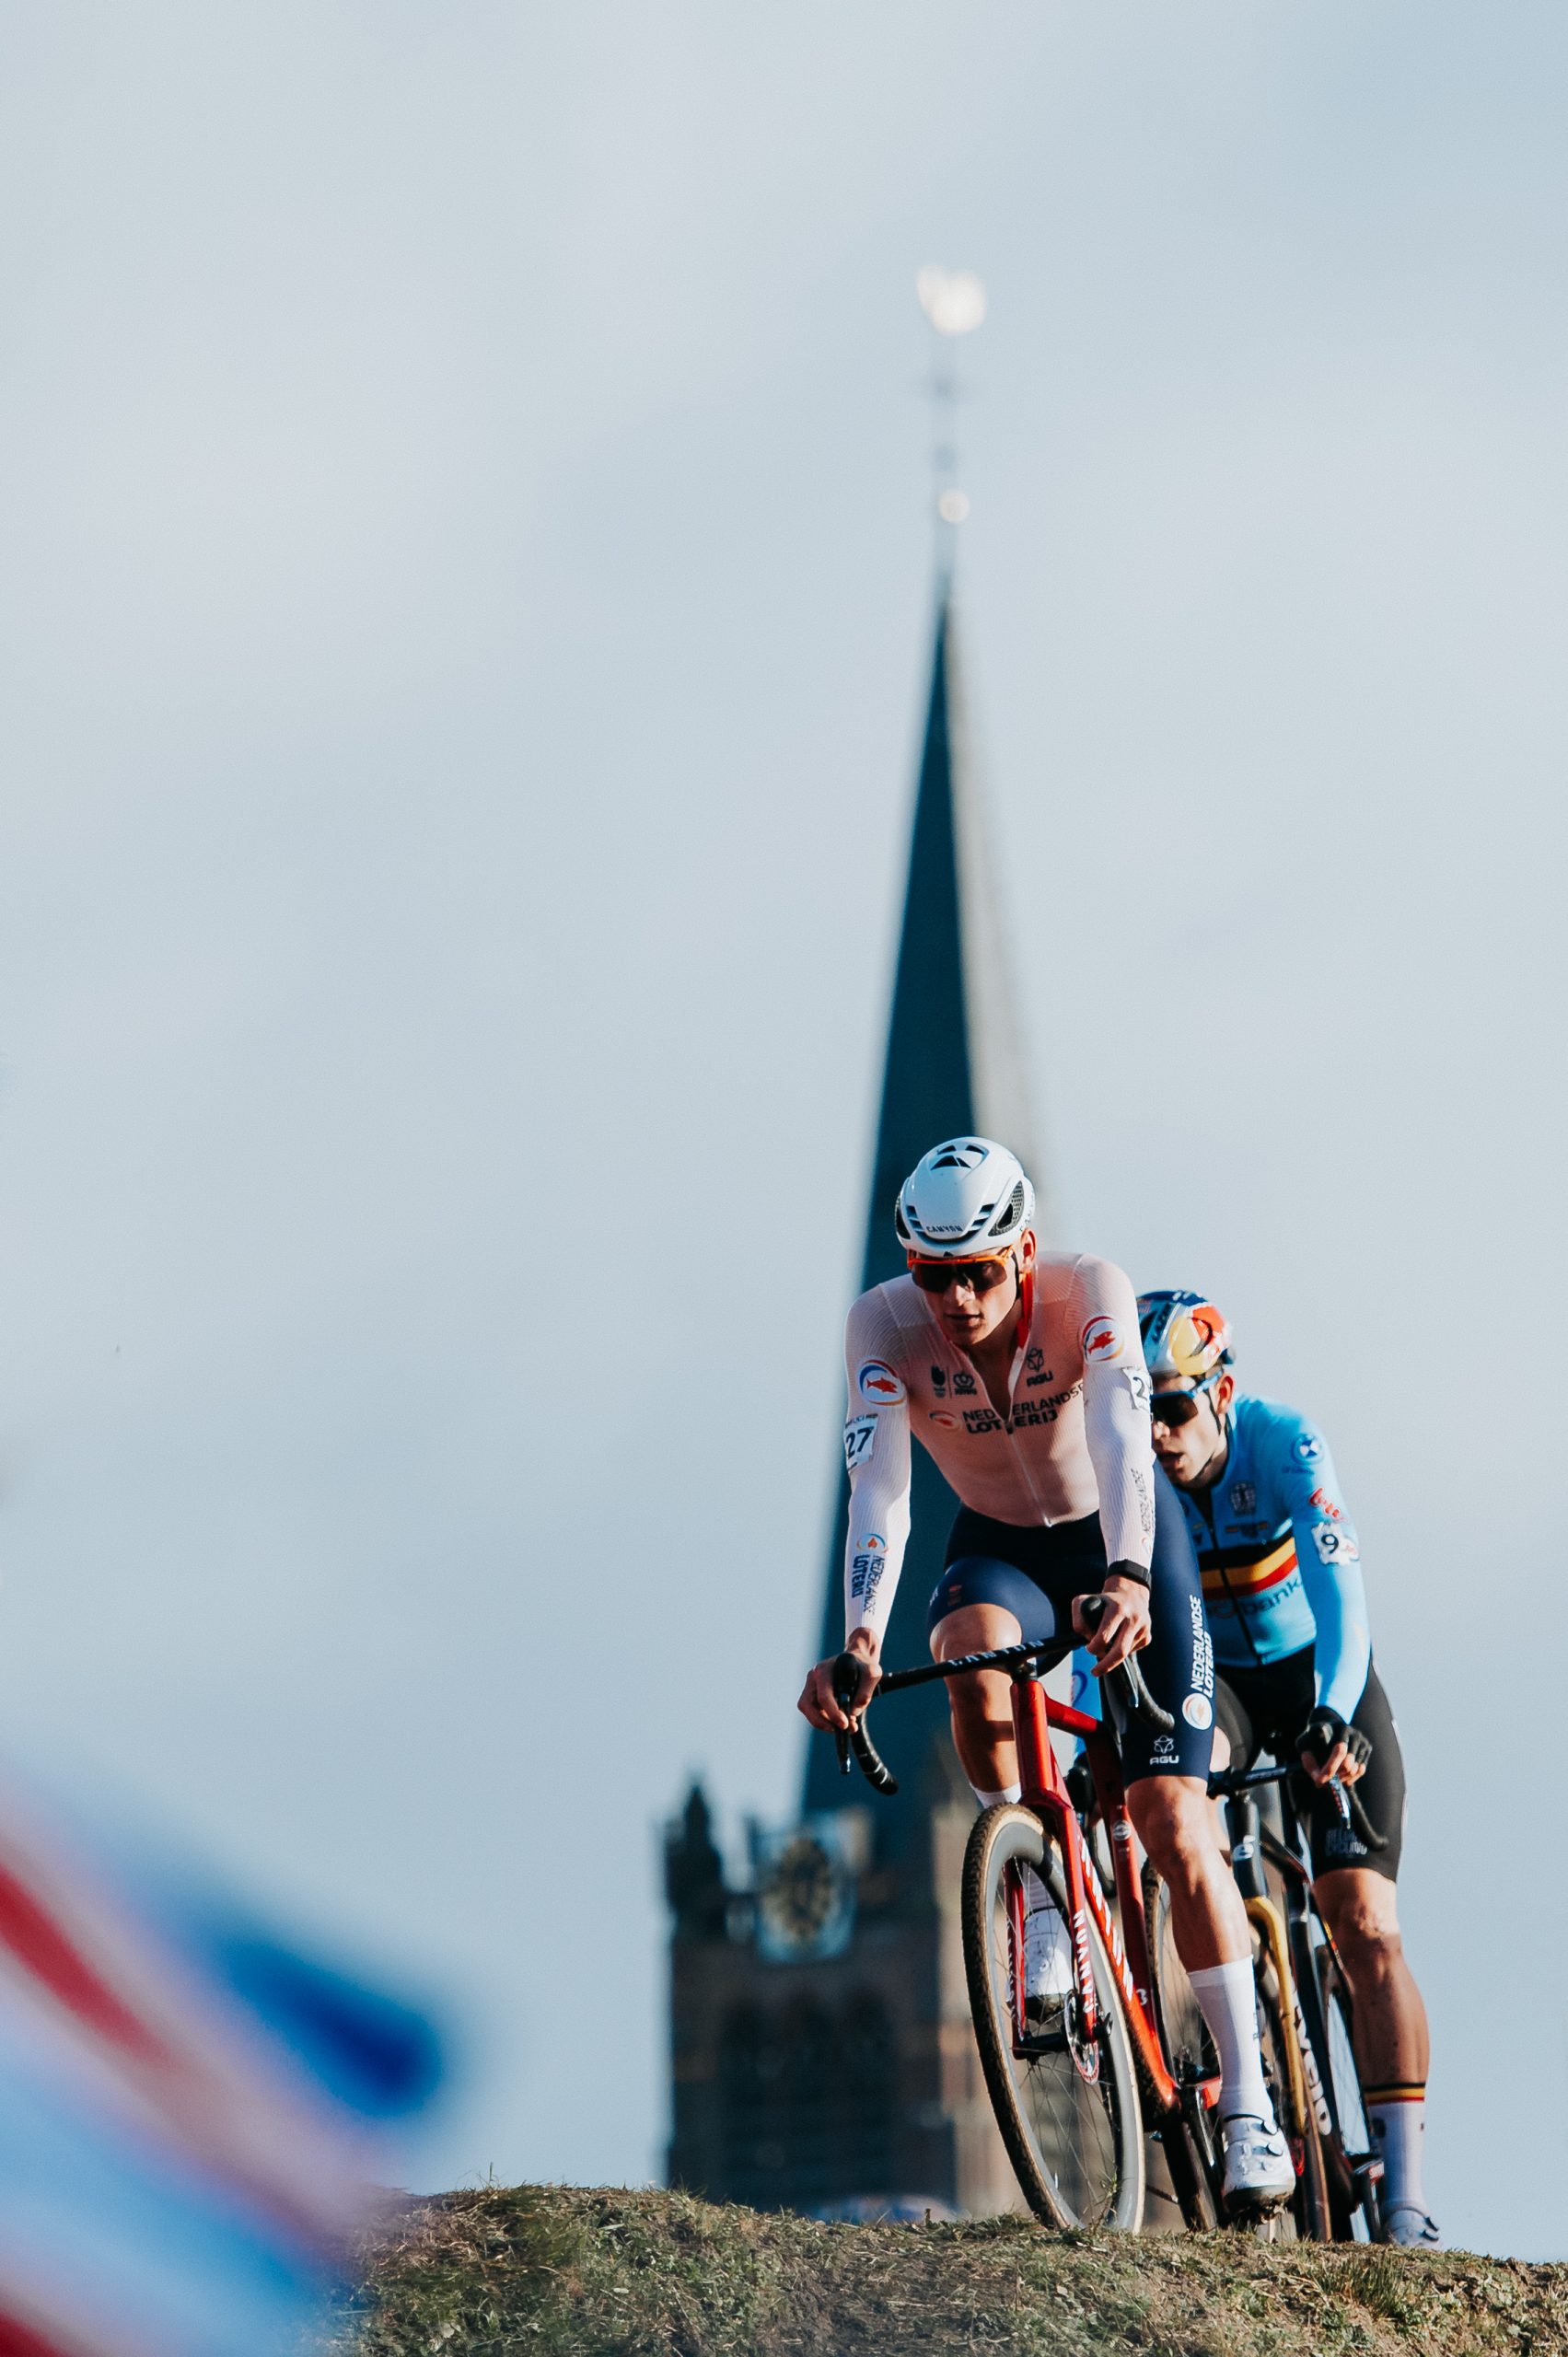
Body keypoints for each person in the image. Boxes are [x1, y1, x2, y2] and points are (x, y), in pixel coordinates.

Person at [797, 1138, 1294, 2215]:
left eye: (979, 1271)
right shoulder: (880, 1329)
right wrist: (860, 1641)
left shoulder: (1087, 1292)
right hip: (1001, 1544)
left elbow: (1122, 1438)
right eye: (936, 1278)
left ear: (1022, 1252)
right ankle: (1032, 1893)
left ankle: (1249, 2102)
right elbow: (879, 1492)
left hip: (1118, 1538)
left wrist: (1124, 1575)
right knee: (961, 1654)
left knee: (1171, 1814)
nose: (959, 1298)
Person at [1136, 1289, 1438, 2249]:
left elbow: (1341, 1599)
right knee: (1171, 1805)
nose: (1155, 1432)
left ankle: (1403, 2195)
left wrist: (1331, 1713)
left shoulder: (1282, 1445)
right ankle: (1246, 2094)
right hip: (1213, 1682)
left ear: (1220, 1395)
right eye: (1138, 1410)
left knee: (1363, 1925)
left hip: (1312, 1680)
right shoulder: (1134, 1473)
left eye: (1174, 1407)